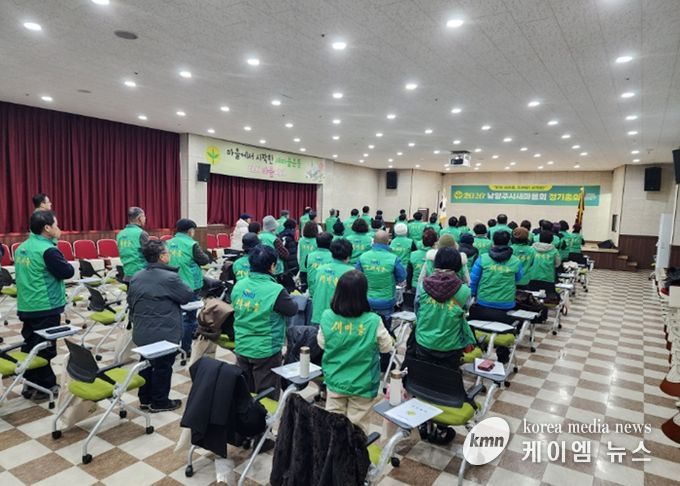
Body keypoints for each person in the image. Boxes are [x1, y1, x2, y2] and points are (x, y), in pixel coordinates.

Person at [317, 270, 393, 433]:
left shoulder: (327, 316)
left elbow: (322, 343)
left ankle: (334, 449)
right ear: (363, 294)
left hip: (335, 380)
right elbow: (387, 347)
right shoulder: (373, 321)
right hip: (363, 385)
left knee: (333, 426)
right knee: (357, 430)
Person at [14, 210, 74, 399]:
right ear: (47, 228)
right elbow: (67, 272)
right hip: (45, 306)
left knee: (30, 345)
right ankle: (44, 387)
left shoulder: (22, 248)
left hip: (27, 305)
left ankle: (29, 384)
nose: (59, 228)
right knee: (45, 348)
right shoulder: (48, 251)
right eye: (56, 225)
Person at [128, 240, 193, 412]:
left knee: (146, 363)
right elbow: (186, 296)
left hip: (142, 330)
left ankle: (145, 398)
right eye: (167, 253)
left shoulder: (136, 276)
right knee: (163, 366)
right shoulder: (170, 278)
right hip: (164, 332)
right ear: (162, 257)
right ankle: (160, 401)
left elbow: (130, 302)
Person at [232, 245, 298, 399]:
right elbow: (292, 309)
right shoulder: (276, 290)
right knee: (266, 397)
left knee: (245, 394)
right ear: (272, 266)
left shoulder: (239, 285)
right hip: (266, 351)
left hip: (242, 345)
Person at [411, 247, 476, 369]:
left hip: (424, 341)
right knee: (447, 376)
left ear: (436, 263)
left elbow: (417, 309)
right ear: (458, 265)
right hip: (451, 345)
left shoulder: (422, 286)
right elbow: (465, 312)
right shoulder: (465, 291)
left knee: (424, 373)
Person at [167, 218, 211, 355]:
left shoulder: (168, 243)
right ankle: (186, 348)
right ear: (190, 231)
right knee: (189, 319)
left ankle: (173, 345)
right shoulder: (192, 244)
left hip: (171, 284)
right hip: (189, 285)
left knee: (175, 316)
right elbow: (204, 260)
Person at [469, 230, 523, 319]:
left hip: (483, 302)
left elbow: (474, 280)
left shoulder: (482, 258)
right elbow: (518, 279)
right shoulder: (516, 261)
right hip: (507, 303)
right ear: (508, 241)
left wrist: (473, 295)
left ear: (493, 241)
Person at [356, 230, 406, 322]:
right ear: (388, 242)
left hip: (366, 299)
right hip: (386, 300)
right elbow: (402, 277)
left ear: (373, 241)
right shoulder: (393, 258)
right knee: (385, 326)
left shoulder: (363, 257)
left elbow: (357, 276)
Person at [309, 238, 354, 325]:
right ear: (349, 256)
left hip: (318, 316)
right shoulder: (352, 273)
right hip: (339, 320)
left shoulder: (320, 269)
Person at [116, 206, 150, 283]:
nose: (145, 218)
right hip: (141, 274)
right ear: (140, 218)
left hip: (126, 274)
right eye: (144, 216)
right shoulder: (141, 233)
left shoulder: (120, 234)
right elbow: (149, 254)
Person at [527, 230, 561, 300]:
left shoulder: (531, 249)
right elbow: (558, 264)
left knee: (531, 297)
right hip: (548, 279)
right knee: (550, 298)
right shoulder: (554, 250)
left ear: (539, 238)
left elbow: (528, 262)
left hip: (532, 277)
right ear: (551, 240)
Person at [305, 232, 334, 298]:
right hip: (327, 293)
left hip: (312, 292)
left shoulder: (309, 256)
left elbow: (307, 269)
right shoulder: (333, 257)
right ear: (330, 243)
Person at [298, 221, 319, 289]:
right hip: (313, 268)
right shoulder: (317, 241)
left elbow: (298, 256)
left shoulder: (301, 240)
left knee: (303, 289)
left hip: (303, 269)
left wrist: (300, 265)